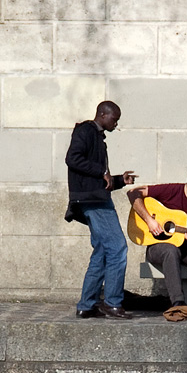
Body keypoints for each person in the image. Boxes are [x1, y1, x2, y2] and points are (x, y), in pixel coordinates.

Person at [65, 101, 137, 319]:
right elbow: (72, 159)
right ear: (103, 114)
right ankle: (112, 303)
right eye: (114, 119)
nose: (116, 124)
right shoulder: (86, 130)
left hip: (94, 198)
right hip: (93, 202)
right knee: (117, 248)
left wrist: (118, 180)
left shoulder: (97, 137)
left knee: (103, 252)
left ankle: (87, 305)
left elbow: (100, 181)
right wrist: (101, 171)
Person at [127, 165, 187, 308]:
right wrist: (149, 220)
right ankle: (177, 302)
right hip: (157, 247)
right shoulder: (171, 190)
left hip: (184, 248)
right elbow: (133, 192)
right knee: (171, 250)